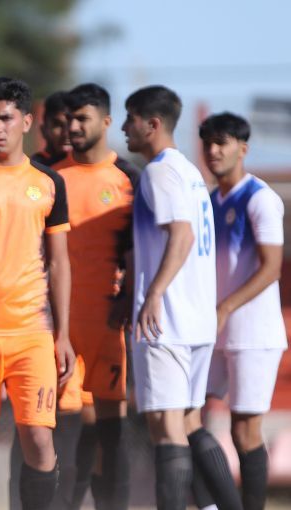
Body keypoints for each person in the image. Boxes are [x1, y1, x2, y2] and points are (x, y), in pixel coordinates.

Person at [0, 77, 75, 510]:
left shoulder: (49, 182)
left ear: (26, 121)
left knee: (39, 439)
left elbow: (59, 263)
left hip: (32, 332)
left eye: (5, 118)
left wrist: (63, 334)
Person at [122, 85, 238, 510]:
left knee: (165, 426)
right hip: (195, 319)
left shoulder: (159, 172)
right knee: (189, 422)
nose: (124, 127)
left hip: (166, 321)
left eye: (131, 118)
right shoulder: (190, 171)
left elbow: (182, 235)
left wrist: (153, 293)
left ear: (152, 124)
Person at [52, 83, 138, 510]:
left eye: (82, 118)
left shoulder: (129, 179)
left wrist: (129, 300)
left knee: (109, 433)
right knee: (65, 432)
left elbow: (140, 252)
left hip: (108, 325)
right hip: (60, 329)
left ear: (106, 121)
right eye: (69, 119)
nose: (73, 126)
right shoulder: (51, 179)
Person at [200, 112, 286, 510]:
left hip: (253, 334)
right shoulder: (208, 201)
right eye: (208, 143)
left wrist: (226, 307)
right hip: (212, 330)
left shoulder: (260, 198)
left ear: (243, 148)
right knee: (186, 416)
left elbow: (271, 267)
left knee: (245, 431)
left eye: (223, 142)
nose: (214, 151)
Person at [32, 91, 72, 167]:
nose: (65, 134)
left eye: (70, 124)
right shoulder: (32, 169)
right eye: (58, 125)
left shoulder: (89, 166)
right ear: (43, 130)